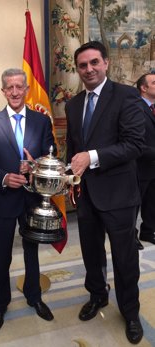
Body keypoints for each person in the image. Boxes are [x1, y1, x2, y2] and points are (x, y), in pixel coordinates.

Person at [65, 41, 145, 344]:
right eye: (83, 65)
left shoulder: (126, 96)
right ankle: (97, 295)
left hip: (120, 196)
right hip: (86, 197)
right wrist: (61, 171)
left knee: (125, 258)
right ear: (78, 69)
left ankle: (130, 311)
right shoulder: (73, 105)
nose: (89, 69)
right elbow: (73, 151)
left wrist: (92, 157)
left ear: (106, 63)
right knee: (91, 253)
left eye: (94, 63)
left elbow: (135, 144)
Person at [0, 68, 55, 333]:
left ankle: (35, 297)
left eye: (19, 87)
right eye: (9, 87)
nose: (14, 92)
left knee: (32, 252)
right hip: (2, 199)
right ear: (3, 91)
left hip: (32, 198)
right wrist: (3, 177)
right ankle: (0, 305)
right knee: (1, 255)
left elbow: (49, 157)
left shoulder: (42, 121)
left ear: (26, 90)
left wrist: (36, 166)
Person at [135, 73, 155, 248]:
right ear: (144, 87)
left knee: (152, 201)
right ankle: (131, 236)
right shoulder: (135, 108)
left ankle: (148, 231)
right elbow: (134, 140)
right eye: (154, 83)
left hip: (153, 165)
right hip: (138, 165)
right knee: (135, 203)